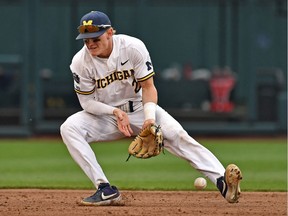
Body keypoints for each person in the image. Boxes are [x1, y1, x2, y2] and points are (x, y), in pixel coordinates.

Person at [60, 10, 242, 206]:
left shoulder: (132, 47)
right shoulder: (80, 62)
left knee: (179, 136)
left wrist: (149, 120)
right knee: (69, 128)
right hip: (106, 115)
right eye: (86, 39)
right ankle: (104, 188)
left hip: (140, 108)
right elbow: (86, 103)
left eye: (95, 37)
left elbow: (148, 87)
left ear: (110, 32)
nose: (90, 44)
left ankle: (223, 183)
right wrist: (114, 112)